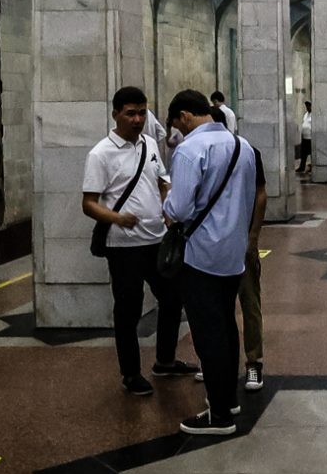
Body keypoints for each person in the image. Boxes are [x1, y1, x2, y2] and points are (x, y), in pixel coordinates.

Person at [82, 86, 196, 395]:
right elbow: (88, 203)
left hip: (157, 240)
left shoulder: (149, 144)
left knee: (172, 298)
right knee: (128, 310)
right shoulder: (100, 154)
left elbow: (161, 179)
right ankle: (131, 373)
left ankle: (165, 360)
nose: (138, 119)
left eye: (142, 112)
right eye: (131, 113)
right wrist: (117, 218)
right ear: (116, 114)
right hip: (124, 247)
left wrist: (166, 205)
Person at [164, 90, 265, 435]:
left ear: (185, 116)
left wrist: (167, 211)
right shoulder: (244, 147)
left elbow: (177, 209)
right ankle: (228, 398)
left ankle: (219, 414)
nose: (179, 131)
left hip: (201, 253)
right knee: (226, 326)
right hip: (233, 253)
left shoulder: (191, 150)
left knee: (208, 333)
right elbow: (251, 199)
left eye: (178, 124)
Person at [296, 101, 313, 176]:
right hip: (304, 137)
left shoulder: (314, 114)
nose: (307, 108)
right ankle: (302, 167)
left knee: (312, 153)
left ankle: (312, 167)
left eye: (309, 106)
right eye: (306, 106)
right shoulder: (306, 114)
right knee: (303, 153)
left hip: (311, 137)